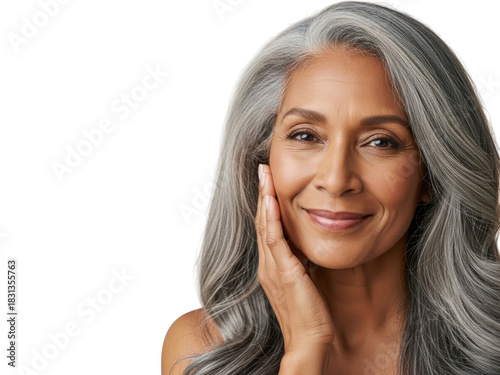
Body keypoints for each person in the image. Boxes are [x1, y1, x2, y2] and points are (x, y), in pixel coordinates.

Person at [161, 2, 500, 374]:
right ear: (262, 158)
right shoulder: (203, 350)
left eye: (380, 142)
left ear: (432, 175)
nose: (336, 180)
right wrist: (306, 349)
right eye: (306, 135)